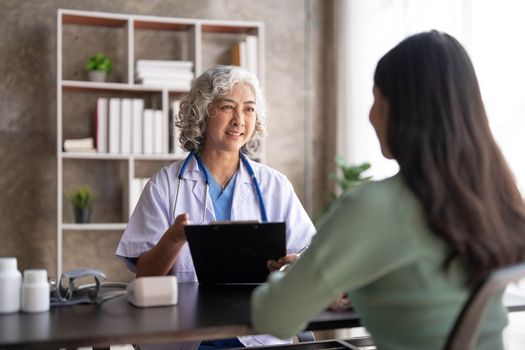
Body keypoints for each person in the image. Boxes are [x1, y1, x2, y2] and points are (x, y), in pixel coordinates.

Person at [251, 30, 525, 350]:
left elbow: (274, 318)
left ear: (401, 109)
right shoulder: (493, 196)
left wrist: (294, 274)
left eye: (376, 97)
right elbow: (432, 292)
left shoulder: (373, 206)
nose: (370, 114)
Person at [116, 65, 315, 349]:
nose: (239, 120)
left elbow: (309, 255)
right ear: (202, 112)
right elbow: (146, 277)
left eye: (248, 109)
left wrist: (293, 265)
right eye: (227, 107)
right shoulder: (166, 185)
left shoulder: (275, 186)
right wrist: (174, 238)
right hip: (184, 337)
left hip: (257, 334)